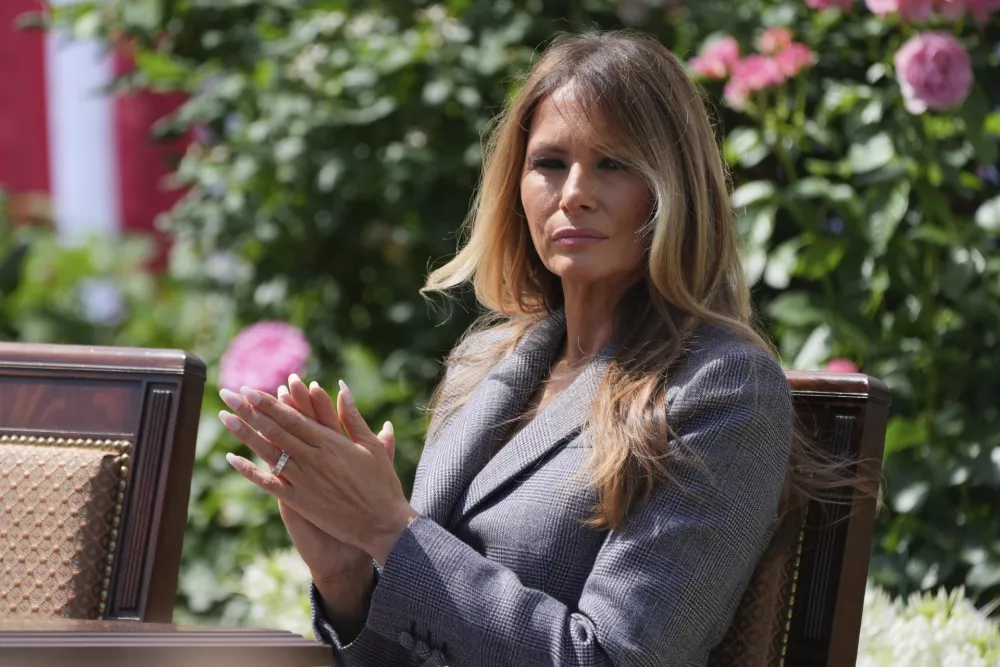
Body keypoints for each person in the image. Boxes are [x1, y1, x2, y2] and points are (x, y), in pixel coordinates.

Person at [218, 30, 802, 667]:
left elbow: (611, 660)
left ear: (674, 188)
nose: (574, 192)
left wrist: (391, 529)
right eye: (549, 163)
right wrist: (349, 579)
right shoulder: (482, 365)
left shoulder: (722, 387)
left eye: (615, 163)